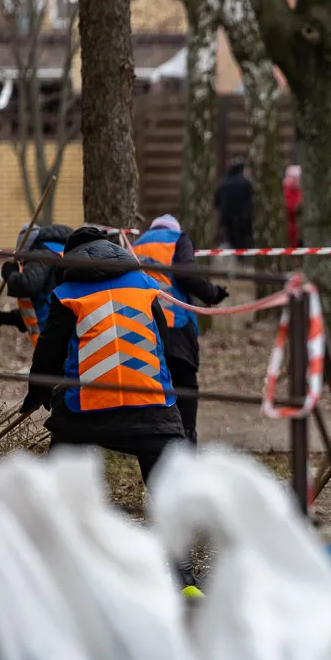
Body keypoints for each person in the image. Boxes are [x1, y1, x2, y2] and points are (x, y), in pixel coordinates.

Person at [20, 226, 198, 593]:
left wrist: (36, 392)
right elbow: (160, 342)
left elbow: (49, 353)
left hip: (86, 409)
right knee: (168, 493)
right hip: (152, 408)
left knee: (57, 485)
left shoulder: (66, 294)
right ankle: (185, 580)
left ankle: (45, 572)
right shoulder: (147, 285)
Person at [132, 214, 229, 444]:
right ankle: (187, 440)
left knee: (155, 386)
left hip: (143, 328)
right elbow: (187, 274)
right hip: (174, 325)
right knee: (185, 385)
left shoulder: (136, 246)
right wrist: (212, 293)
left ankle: (156, 439)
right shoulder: (178, 239)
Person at [0, 224, 74, 347]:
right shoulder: (59, 250)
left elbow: (27, 284)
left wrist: (10, 273)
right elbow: (40, 308)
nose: (23, 265)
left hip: (58, 343)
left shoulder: (39, 254)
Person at [213, 158, 255, 249]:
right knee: (243, 240)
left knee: (230, 239)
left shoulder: (222, 183)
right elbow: (251, 200)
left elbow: (216, 202)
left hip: (227, 217)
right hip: (243, 217)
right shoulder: (246, 183)